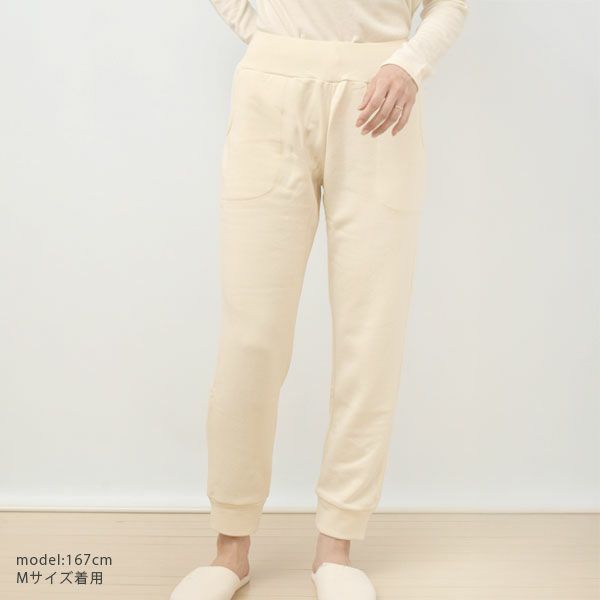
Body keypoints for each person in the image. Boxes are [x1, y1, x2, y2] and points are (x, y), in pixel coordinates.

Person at [171, 1, 468, 598]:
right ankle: (230, 548)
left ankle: (337, 545)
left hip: (380, 97)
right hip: (271, 95)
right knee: (251, 337)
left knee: (369, 334)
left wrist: (410, 63)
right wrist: (275, 43)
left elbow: (450, 5)